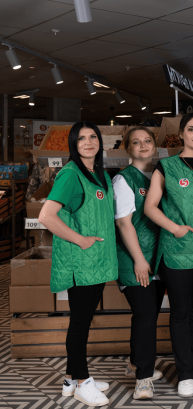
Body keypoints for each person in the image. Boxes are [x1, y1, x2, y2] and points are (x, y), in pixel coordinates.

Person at [144, 113, 193, 398]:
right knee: (180, 311)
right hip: (177, 250)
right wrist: (174, 228)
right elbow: (150, 207)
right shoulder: (166, 166)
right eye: (191, 129)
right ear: (181, 134)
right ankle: (185, 373)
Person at [39, 122, 115, 406]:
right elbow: (46, 216)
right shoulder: (71, 174)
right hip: (81, 262)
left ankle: (71, 379)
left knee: (82, 320)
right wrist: (80, 240)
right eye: (81, 138)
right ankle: (83, 382)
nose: (88, 142)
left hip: (96, 261)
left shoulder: (98, 174)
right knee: (80, 323)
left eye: (93, 136)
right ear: (73, 144)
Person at [113, 127, 166, 399]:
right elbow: (124, 223)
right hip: (135, 259)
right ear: (128, 148)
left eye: (147, 141)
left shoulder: (159, 175)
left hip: (157, 257)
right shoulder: (124, 180)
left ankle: (135, 362)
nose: (143, 146)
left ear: (155, 146)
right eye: (136, 142)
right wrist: (139, 260)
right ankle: (143, 378)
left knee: (148, 315)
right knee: (145, 314)